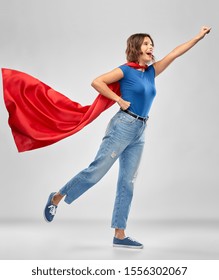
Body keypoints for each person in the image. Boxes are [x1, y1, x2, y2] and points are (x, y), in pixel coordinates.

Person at [44, 26, 211, 249]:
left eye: (152, 44)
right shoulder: (126, 70)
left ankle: (119, 235)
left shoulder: (151, 72)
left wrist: (198, 37)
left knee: (127, 182)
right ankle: (57, 197)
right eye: (146, 44)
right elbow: (97, 81)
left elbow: (175, 53)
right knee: (96, 172)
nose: (151, 47)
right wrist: (118, 100)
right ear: (136, 49)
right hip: (123, 126)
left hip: (140, 129)